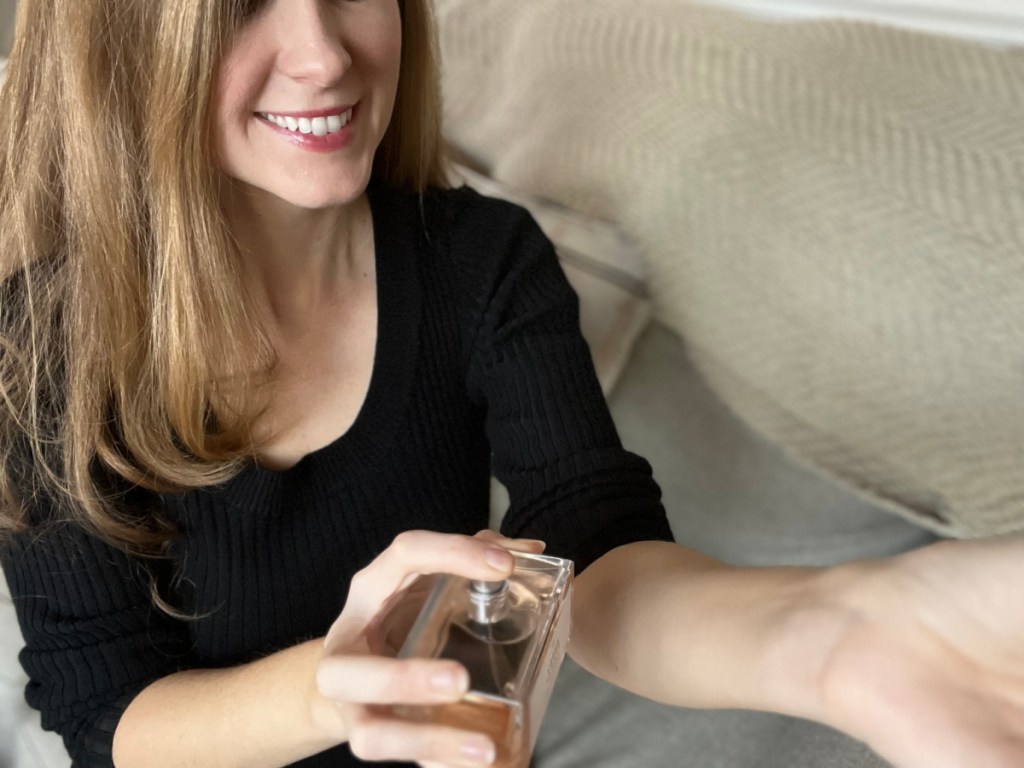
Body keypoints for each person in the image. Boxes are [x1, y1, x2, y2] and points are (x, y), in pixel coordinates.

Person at [0, 2, 1022, 768]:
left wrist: (843, 632)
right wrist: (336, 684)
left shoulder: (482, 261)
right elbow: (107, 716)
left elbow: (603, 558)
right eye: (241, 5)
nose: (323, 56)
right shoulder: (41, 349)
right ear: (126, 38)